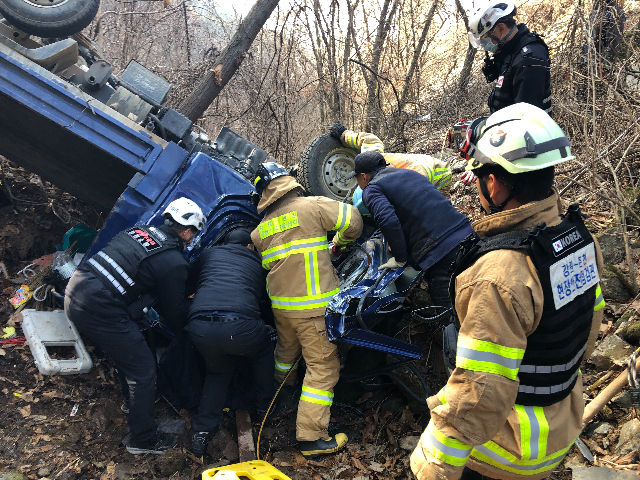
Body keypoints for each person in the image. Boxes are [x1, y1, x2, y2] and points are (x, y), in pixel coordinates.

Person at [410, 103, 606, 480]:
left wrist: (431, 465)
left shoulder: (497, 275)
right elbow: (588, 328)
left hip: (507, 451)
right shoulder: (580, 240)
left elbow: (479, 391)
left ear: (494, 184)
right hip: (561, 426)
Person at [64, 197, 205, 455]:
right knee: (142, 369)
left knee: (135, 339)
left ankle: (134, 402)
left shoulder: (138, 231)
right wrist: (194, 309)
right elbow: (174, 315)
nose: (192, 238)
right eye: (193, 233)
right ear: (186, 231)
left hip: (76, 288)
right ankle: (144, 439)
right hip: (99, 307)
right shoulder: (174, 261)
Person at [250, 162, 363, 459]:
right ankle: (311, 437)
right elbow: (353, 221)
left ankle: (281, 396)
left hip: (283, 310)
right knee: (323, 369)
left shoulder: (259, 232)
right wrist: (339, 243)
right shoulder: (311, 206)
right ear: (288, 182)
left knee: (285, 356)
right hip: (313, 310)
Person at [346, 150, 473, 371]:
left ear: (363, 176)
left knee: (452, 321)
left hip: (442, 254)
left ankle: (463, 375)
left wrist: (400, 257)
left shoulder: (372, 189)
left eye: (357, 178)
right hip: (468, 237)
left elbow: (388, 220)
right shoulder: (410, 174)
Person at [185, 227, 275, 457]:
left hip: (200, 326)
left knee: (217, 373)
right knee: (264, 350)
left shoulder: (209, 254)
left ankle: (202, 430)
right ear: (249, 246)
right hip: (240, 326)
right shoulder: (258, 261)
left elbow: (189, 283)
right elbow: (265, 302)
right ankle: (266, 407)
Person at [468, 0, 551, 115]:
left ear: (501, 29)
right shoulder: (509, 54)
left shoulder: (529, 59)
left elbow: (526, 117)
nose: (484, 44)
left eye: (485, 37)